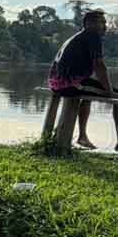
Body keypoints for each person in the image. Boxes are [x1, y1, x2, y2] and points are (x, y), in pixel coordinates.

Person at [48, 9, 118, 150]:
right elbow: (99, 66)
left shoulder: (80, 36)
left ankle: (82, 137)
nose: (105, 26)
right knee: (116, 96)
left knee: (91, 93)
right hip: (68, 85)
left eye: (105, 22)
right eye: (101, 22)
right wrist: (109, 91)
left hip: (62, 83)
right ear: (89, 24)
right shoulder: (92, 35)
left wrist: (106, 88)